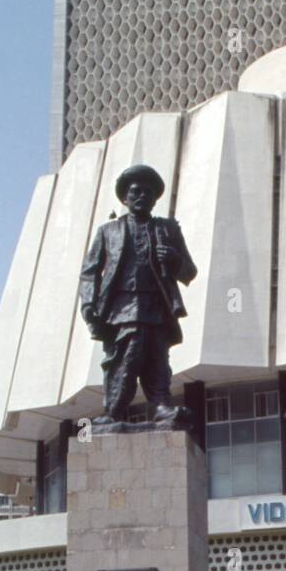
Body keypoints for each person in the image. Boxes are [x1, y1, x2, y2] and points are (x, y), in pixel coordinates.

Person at [79, 164, 197, 424]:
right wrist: (88, 303)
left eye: (147, 192)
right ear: (125, 197)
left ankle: (161, 405)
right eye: (136, 192)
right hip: (122, 307)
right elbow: (89, 272)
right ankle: (114, 409)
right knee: (126, 356)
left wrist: (174, 259)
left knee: (157, 357)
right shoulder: (108, 231)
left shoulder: (168, 229)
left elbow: (190, 272)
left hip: (157, 306)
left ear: (155, 199)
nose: (141, 196)